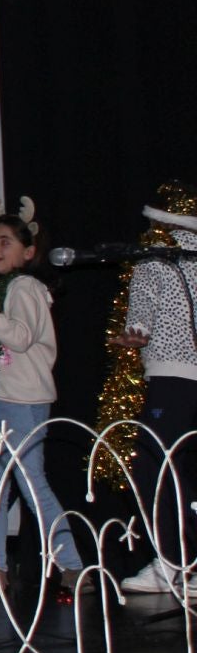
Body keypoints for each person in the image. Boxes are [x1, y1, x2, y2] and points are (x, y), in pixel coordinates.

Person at [0, 199, 81, 599]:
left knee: (32, 485)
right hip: (1, 399)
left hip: (24, 402)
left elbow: (19, 336)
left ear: (28, 252)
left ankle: (71, 564)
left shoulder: (26, 286)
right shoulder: (3, 288)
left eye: (6, 242)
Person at [112, 185, 197, 597]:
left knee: (155, 466)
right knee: (182, 469)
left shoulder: (156, 256)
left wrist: (136, 333)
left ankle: (170, 562)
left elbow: (142, 310)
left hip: (171, 376)